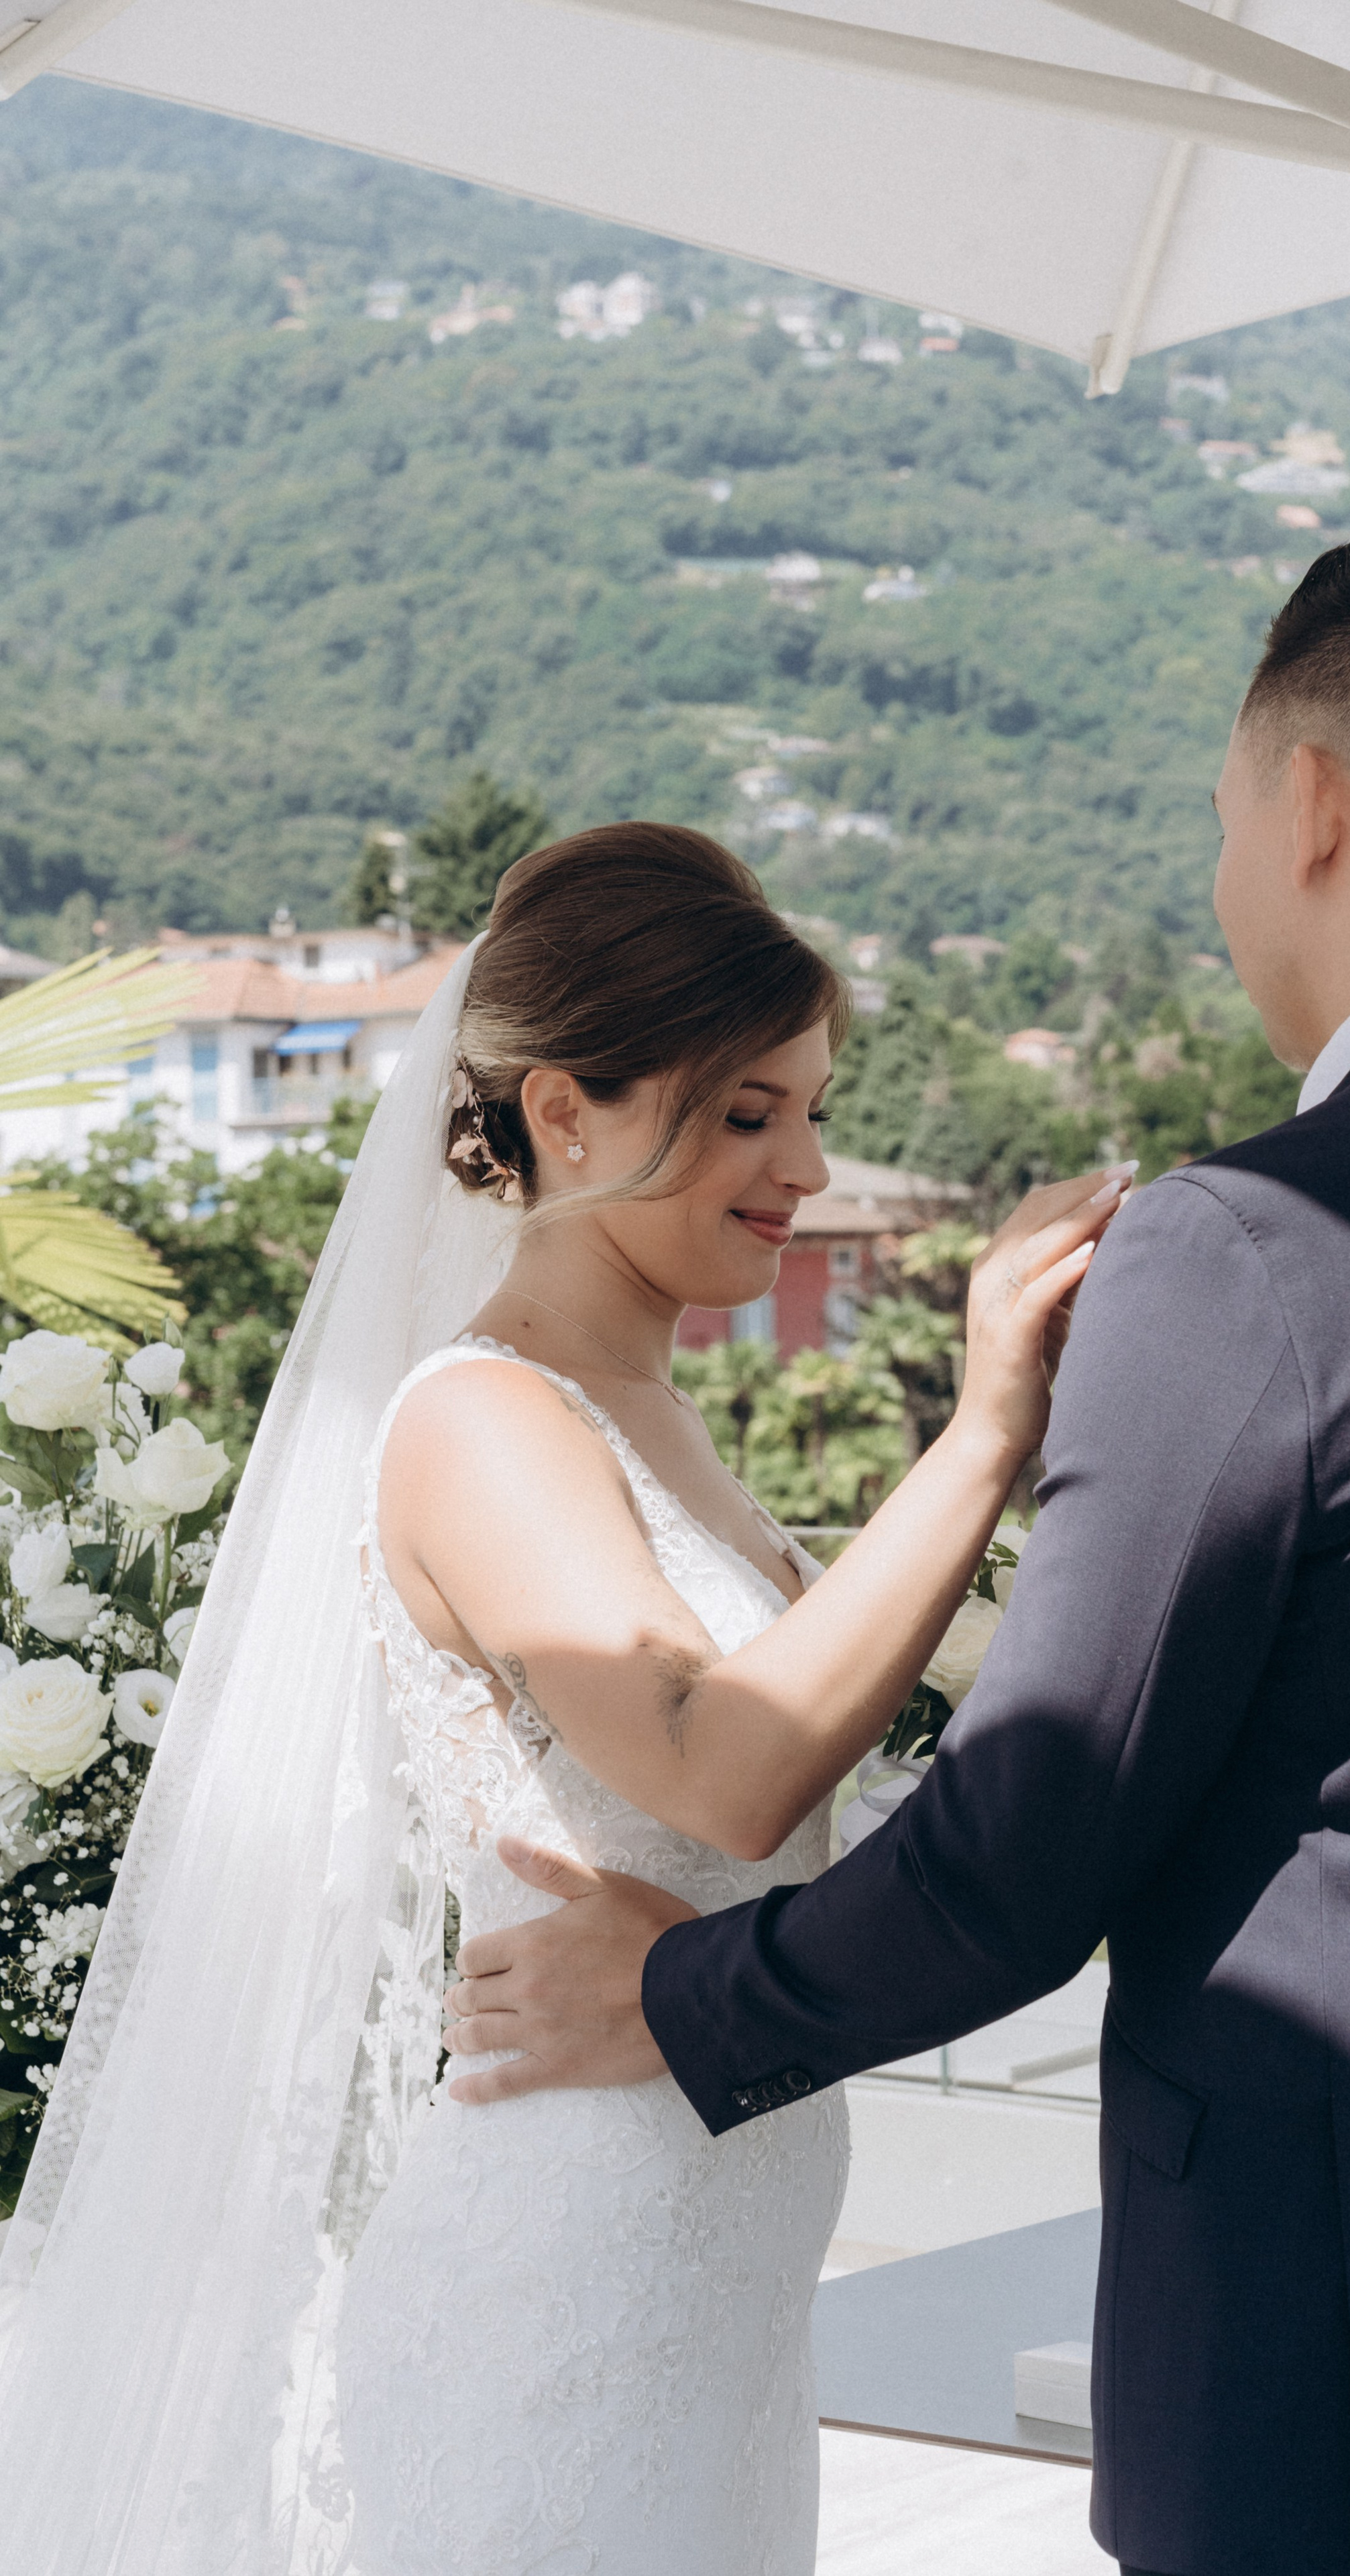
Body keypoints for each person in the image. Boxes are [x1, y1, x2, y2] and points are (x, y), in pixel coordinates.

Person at [445, 529, 1350, 2576]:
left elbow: (1035, 1834)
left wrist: (685, 1999)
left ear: (1308, 808)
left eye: (1225, 816)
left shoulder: (1261, 1247)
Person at [0, 822, 1126, 2572]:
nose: (807, 1165)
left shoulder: (653, 1412)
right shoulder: (484, 1418)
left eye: (814, 1107)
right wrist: (984, 1433)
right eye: (747, 1114)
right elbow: (721, 1771)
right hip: (564, 2300)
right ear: (563, 1114)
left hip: (713, 2288)